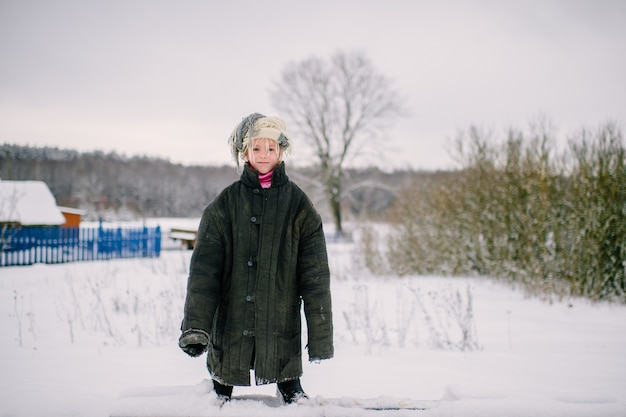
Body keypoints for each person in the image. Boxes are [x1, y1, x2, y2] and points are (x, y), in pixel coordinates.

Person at [178, 113, 334, 405]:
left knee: (286, 364)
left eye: (271, 148)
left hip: (281, 317)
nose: (265, 155)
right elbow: (204, 272)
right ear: (245, 152)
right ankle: (221, 387)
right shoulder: (225, 203)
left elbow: (315, 276)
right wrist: (195, 326)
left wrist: (321, 337)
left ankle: (289, 384)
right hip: (231, 315)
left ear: (281, 151)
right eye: (257, 148)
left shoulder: (299, 205)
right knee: (221, 381)